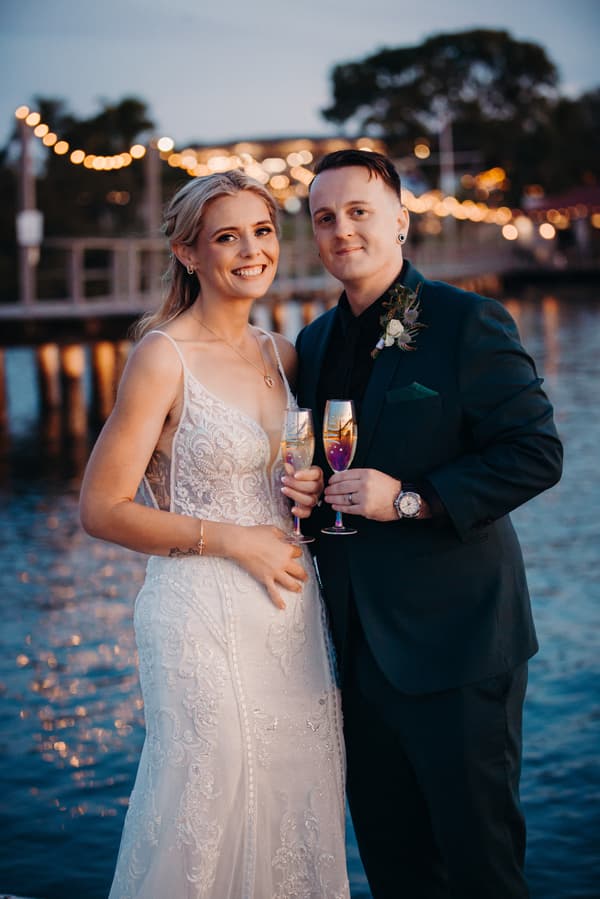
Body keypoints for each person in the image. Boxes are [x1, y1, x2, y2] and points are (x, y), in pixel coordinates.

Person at [293, 149, 563, 899]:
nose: (342, 229)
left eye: (358, 212)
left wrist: (409, 497)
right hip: (353, 653)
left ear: (400, 222)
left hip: (458, 647)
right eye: (325, 217)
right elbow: (319, 476)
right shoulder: (312, 344)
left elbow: (536, 454)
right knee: (396, 868)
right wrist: (303, 491)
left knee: (481, 869)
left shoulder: (464, 319)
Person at [79, 170, 349, 899]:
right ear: (188, 253)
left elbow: (287, 476)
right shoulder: (161, 357)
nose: (251, 250)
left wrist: (305, 490)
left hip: (288, 613)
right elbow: (101, 508)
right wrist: (235, 539)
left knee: (293, 793)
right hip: (198, 609)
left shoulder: (280, 353)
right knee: (210, 789)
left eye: (262, 232)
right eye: (227, 236)